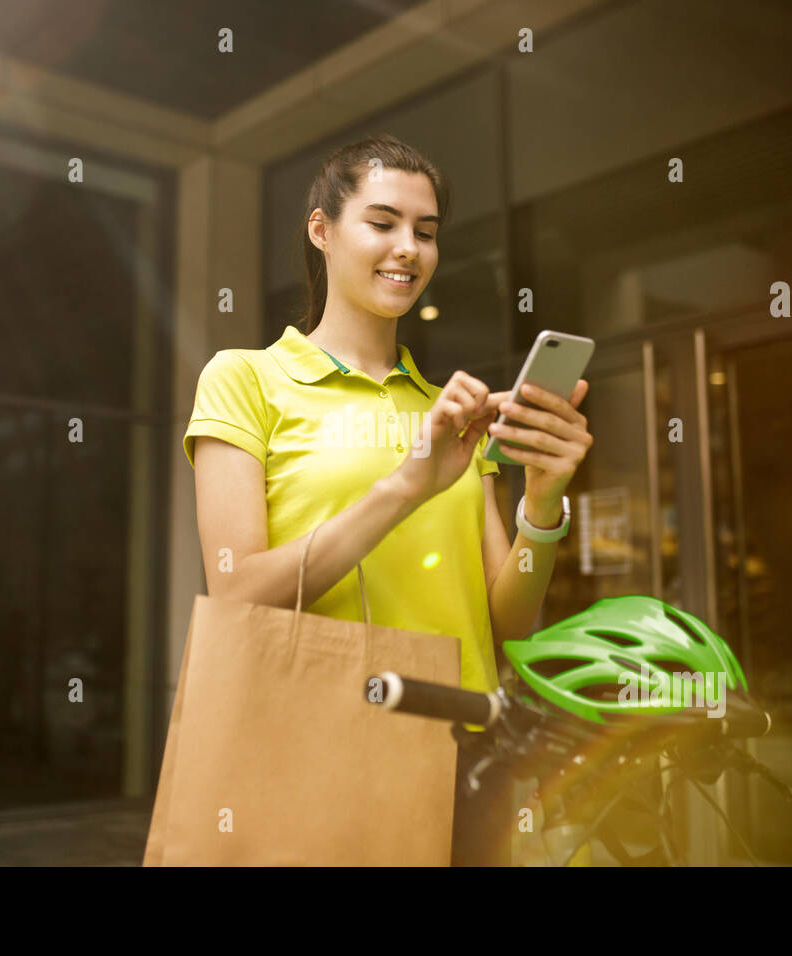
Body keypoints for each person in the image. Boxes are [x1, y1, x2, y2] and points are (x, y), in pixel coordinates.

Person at [183, 133, 593, 865]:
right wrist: (407, 484)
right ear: (322, 231)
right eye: (383, 223)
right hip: (318, 746)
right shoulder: (245, 379)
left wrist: (544, 503)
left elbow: (505, 623)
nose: (409, 247)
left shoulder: (452, 417)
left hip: (467, 750)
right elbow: (236, 592)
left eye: (426, 232)